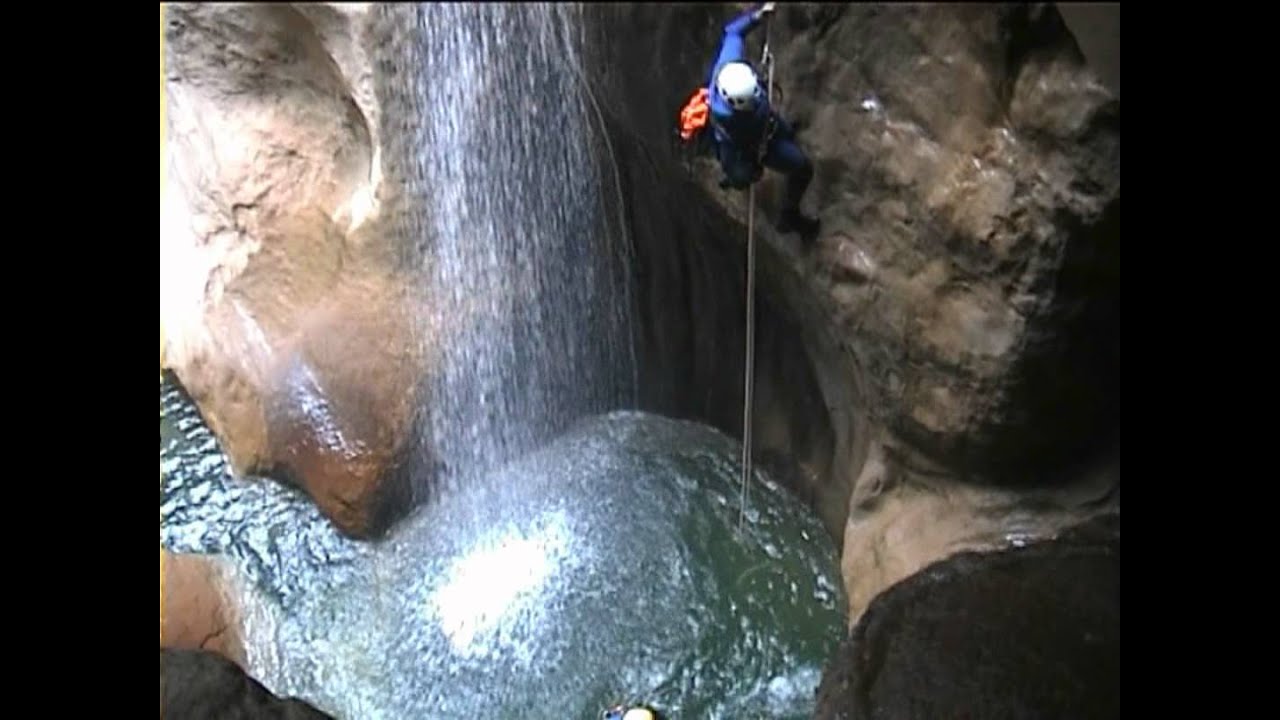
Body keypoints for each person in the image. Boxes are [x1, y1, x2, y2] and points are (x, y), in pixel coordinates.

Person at [707, 2, 820, 241]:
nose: (759, 95)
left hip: (766, 127)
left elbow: (733, 32)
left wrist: (758, 16)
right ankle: (789, 215)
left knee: (783, 132)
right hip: (751, 146)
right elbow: (756, 126)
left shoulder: (729, 67)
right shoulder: (733, 118)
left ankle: (748, 171)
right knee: (798, 168)